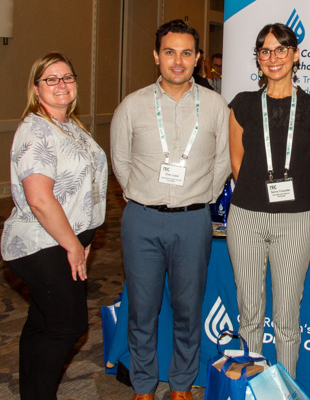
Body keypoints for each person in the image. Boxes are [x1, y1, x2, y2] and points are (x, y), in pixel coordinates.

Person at [110, 19, 230, 400]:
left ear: (197, 58)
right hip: (142, 220)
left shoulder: (216, 106)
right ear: (156, 56)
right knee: (142, 309)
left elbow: (223, 162)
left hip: (193, 221)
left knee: (188, 309)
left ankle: (181, 384)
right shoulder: (132, 106)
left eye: (186, 53)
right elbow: (120, 162)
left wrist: (201, 197)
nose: (178, 61)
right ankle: (144, 386)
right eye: (169, 52)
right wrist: (143, 194)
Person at [226, 23, 310, 378]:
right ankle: (251, 387)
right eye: (265, 51)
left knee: (287, 317)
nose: (273, 58)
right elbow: (237, 163)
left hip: (295, 221)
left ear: (296, 54)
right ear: (258, 58)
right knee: (249, 313)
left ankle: (284, 390)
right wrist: (258, 196)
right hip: (246, 218)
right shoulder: (242, 104)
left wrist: (296, 206)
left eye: (281, 49)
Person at [0, 52, 108, 400]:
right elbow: (40, 199)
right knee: (67, 326)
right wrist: (73, 245)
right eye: (51, 79)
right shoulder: (36, 130)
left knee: (43, 321)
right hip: (43, 242)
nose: (61, 84)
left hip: (62, 239)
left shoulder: (68, 124)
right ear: (36, 88)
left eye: (67, 77)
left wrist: (83, 235)